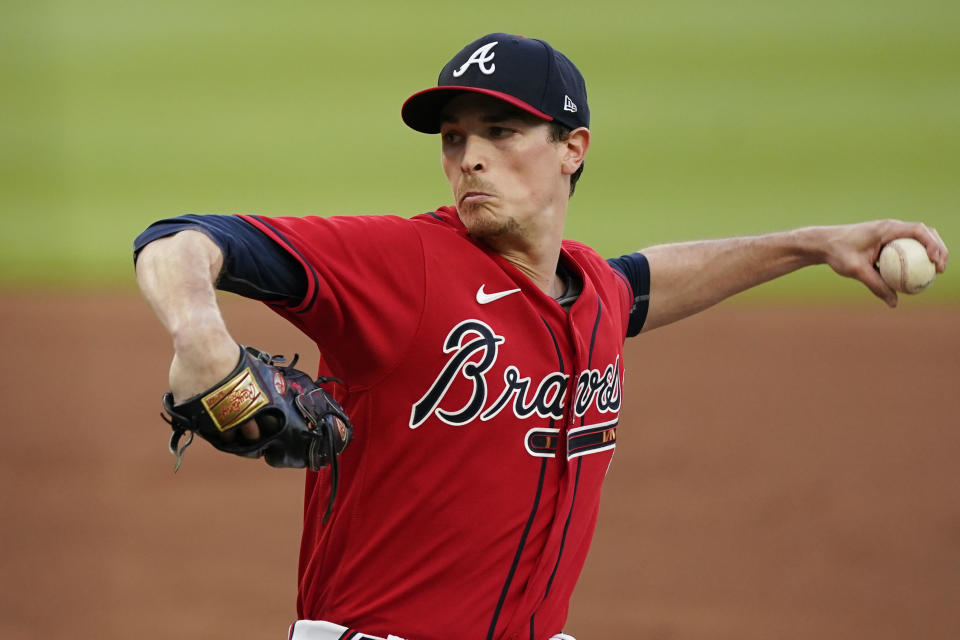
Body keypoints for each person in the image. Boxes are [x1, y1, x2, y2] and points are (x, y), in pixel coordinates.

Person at [133, 33, 948, 640]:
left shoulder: (590, 291)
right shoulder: (404, 265)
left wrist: (814, 243)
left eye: (501, 132)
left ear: (572, 150)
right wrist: (203, 338)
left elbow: (647, 281)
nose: (470, 159)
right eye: (456, 138)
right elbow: (180, 240)